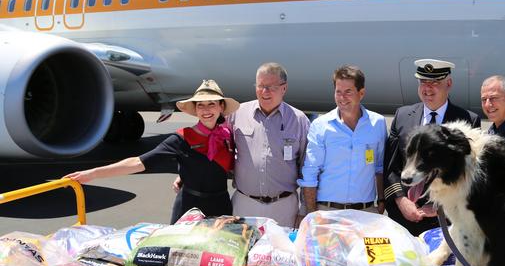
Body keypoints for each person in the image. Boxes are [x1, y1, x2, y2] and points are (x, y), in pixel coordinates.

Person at [65, 79, 239, 224]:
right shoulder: (182, 138)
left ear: (221, 107)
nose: (206, 110)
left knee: (219, 258)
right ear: (195, 109)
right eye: (201, 105)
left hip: (220, 206)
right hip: (190, 208)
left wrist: (186, 171)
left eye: (212, 104)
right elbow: (139, 163)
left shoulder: (227, 136)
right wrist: (93, 173)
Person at [174, 63, 310, 227]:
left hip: (285, 206)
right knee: (242, 251)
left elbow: (307, 168)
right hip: (245, 204)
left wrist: (304, 211)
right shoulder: (237, 114)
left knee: (281, 251)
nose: (264, 92)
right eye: (260, 86)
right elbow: (211, 144)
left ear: (284, 88)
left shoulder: (299, 120)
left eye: (271, 87)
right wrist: (187, 173)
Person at [384, 59, 480, 236]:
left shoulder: (467, 121)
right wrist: (401, 200)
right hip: (405, 218)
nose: (427, 88)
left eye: (435, 82)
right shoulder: (403, 116)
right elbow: (392, 167)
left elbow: (469, 175)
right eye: (423, 82)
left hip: (445, 221)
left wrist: (439, 208)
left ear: (448, 84)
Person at [299, 65, 386, 215]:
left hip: (366, 212)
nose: (342, 98)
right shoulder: (321, 126)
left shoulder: (377, 123)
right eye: (338, 92)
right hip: (327, 212)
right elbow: (310, 172)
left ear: (361, 93)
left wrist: (382, 201)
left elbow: (379, 167)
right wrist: (311, 213)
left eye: (348, 92)